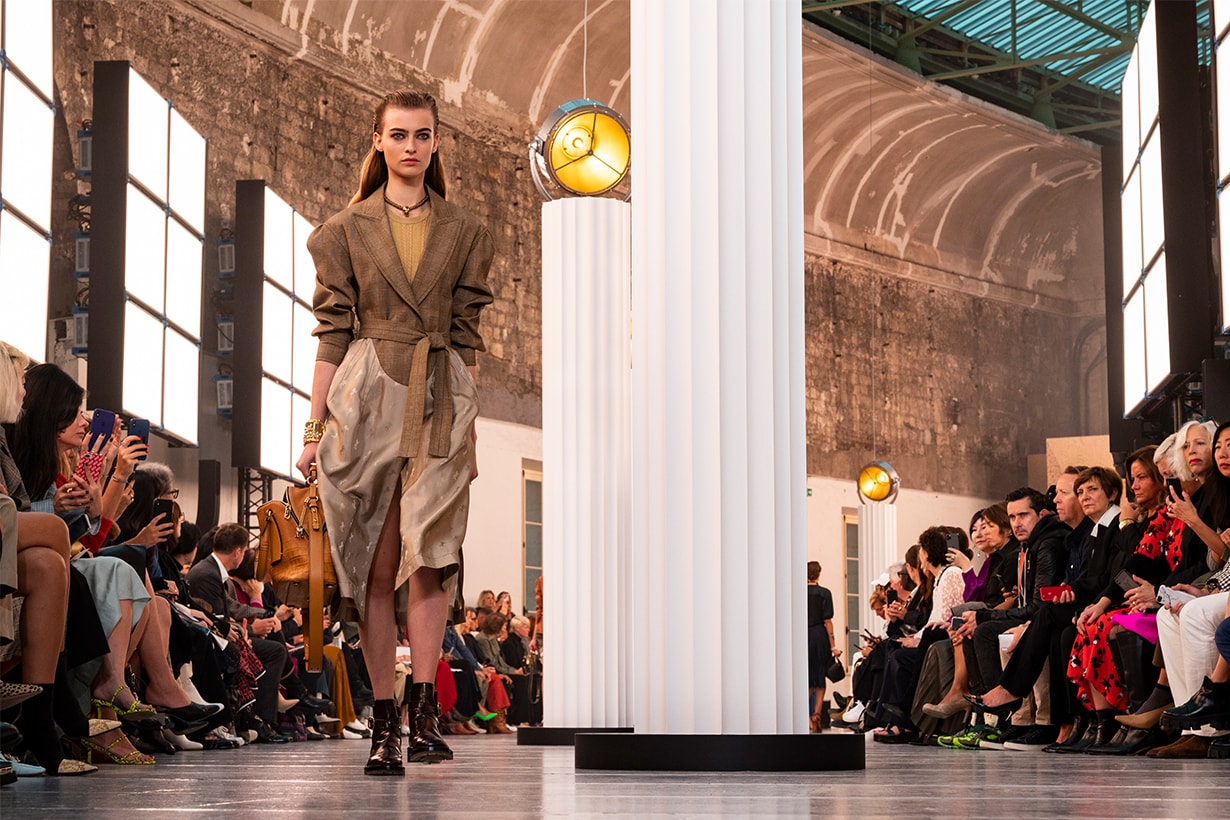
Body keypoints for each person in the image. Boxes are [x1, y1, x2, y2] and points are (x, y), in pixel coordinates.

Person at [295, 89, 494, 776]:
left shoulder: (467, 231)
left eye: (423, 135)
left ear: (437, 143)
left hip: (442, 396)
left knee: (431, 557)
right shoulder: (342, 230)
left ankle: (425, 709)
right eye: (399, 134)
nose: (411, 146)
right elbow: (330, 336)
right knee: (379, 569)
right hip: (367, 397)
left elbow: (467, 336)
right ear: (378, 141)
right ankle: (385, 724)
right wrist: (313, 429)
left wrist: (472, 431)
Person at [806, 561, 839, 732]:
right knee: (820, 677)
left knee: (805, 678)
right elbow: (828, 621)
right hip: (819, 636)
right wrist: (833, 647)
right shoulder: (825, 593)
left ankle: (802, 715)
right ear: (819, 573)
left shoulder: (798, 594)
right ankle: (816, 716)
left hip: (803, 636)